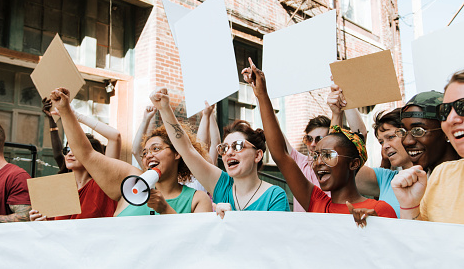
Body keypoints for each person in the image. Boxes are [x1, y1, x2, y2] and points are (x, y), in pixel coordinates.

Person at [242, 59, 396, 226]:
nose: (318, 163)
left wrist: (374, 228)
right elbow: (280, 154)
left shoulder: (380, 210)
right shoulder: (316, 202)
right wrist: (262, 94)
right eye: (316, 156)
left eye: (328, 155)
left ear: (354, 163)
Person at [49, 87, 212, 216]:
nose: (149, 156)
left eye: (156, 149)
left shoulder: (197, 199)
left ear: (177, 153)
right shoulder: (130, 180)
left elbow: (197, 245)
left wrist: (165, 210)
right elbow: (87, 154)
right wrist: (66, 111)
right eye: (145, 152)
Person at [150, 87, 290, 216]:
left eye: (237, 146)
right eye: (224, 148)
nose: (229, 153)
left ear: (258, 155)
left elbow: (275, 241)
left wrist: (233, 220)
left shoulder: (275, 196)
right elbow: (187, 149)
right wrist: (165, 109)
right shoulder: (221, 185)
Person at [392, 70, 464, 223]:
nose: (451, 119)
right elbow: (420, 243)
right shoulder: (442, 175)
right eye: (445, 111)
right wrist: (409, 206)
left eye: (462, 106)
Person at [284, 84, 367, 212]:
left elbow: (359, 136)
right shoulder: (300, 163)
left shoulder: (341, 165)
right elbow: (276, 139)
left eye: (319, 139)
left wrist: (344, 93)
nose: (312, 144)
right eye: (308, 139)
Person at [29, 134, 117, 221]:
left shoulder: (101, 186)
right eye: (67, 150)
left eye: (76, 149)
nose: (70, 154)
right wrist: (39, 221)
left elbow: (115, 137)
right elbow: (51, 228)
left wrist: (79, 119)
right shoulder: (59, 187)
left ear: (92, 154)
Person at [352, 108, 412, 217]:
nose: (385, 146)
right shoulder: (386, 179)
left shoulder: (437, 176)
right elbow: (342, 167)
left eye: (391, 137)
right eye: (381, 142)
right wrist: (340, 111)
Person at [398, 91, 459, 173]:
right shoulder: (421, 182)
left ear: (446, 131)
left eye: (418, 131)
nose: (407, 141)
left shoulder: (459, 178)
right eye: (403, 131)